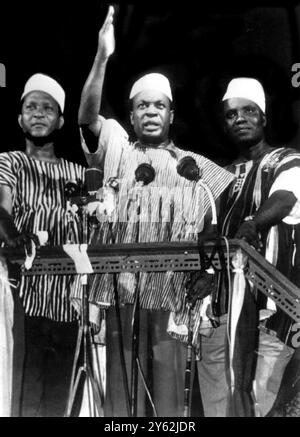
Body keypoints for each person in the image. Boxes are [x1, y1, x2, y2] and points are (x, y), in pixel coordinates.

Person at [77, 6, 234, 417]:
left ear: (171, 114)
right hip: (121, 288)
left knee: (167, 402)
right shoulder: (117, 148)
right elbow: (87, 116)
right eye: (142, 106)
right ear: (130, 115)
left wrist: (209, 273)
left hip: (173, 293)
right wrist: (102, 57)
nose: (150, 112)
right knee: (120, 399)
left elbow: (216, 226)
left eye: (159, 106)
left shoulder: (195, 167)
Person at [188, 77, 300, 417]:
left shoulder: (287, 160)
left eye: (249, 111)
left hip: (269, 313)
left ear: (263, 117)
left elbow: (284, 199)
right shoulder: (219, 176)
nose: (240, 118)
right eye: (231, 113)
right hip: (219, 310)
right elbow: (207, 233)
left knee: (257, 405)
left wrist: (253, 224)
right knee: (218, 406)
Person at [0, 73, 85, 416]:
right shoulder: (9, 162)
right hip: (25, 295)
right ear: (20, 117)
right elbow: (1, 209)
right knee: (24, 390)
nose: (38, 113)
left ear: (60, 120)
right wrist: (14, 238)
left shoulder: (78, 175)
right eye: (30, 107)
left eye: (47, 108)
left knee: (60, 395)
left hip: (68, 301)